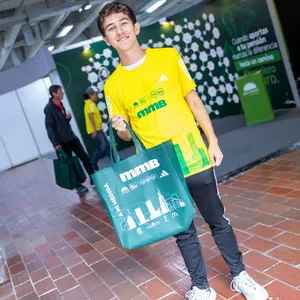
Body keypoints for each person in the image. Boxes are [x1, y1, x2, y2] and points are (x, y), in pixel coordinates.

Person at [97, 2, 269, 300]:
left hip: (193, 155)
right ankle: (202, 287)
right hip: (161, 168)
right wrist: (121, 126)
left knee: (217, 219)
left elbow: (193, 100)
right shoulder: (113, 86)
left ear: (136, 27)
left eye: (123, 23)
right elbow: (125, 134)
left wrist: (212, 140)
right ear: (107, 40)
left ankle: (240, 275)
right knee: (182, 230)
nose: (119, 31)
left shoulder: (167, 57)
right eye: (111, 28)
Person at [44, 85, 94, 193]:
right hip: (62, 142)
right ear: (54, 94)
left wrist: (67, 119)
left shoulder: (60, 104)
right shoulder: (49, 108)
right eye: (60, 92)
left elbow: (61, 124)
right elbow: (49, 127)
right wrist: (55, 143)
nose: (62, 93)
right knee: (70, 164)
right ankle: (78, 186)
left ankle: (93, 178)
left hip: (72, 138)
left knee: (84, 157)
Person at [83, 86, 110, 171]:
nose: (96, 96)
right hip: (95, 130)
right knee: (102, 146)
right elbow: (91, 117)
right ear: (90, 95)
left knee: (107, 145)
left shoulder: (92, 104)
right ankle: (93, 163)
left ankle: (114, 159)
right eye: (95, 94)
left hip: (99, 129)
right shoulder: (90, 104)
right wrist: (94, 130)